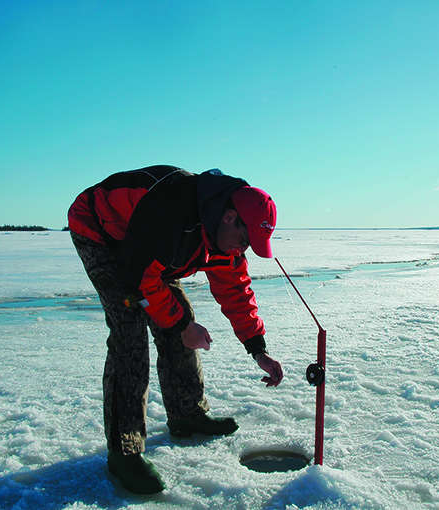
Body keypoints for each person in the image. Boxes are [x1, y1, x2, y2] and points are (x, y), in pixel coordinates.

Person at [68, 165, 284, 494]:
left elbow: (235, 291)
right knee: (130, 333)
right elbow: (136, 279)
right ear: (229, 218)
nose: (243, 250)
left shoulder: (224, 240)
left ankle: (186, 413)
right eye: (245, 241)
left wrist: (258, 349)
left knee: (178, 315)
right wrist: (183, 326)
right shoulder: (172, 209)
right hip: (102, 232)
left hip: (151, 250)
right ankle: (124, 451)